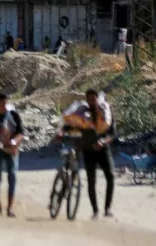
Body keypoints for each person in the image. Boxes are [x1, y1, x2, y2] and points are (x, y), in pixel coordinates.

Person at [61, 89, 116, 220]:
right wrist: (63, 131)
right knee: (91, 181)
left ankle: (107, 208)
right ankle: (95, 211)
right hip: (88, 151)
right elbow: (72, 126)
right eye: (89, 99)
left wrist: (103, 142)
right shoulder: (82, 114)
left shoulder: (105, 114)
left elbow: (113, 134)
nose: (91, 101)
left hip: (103, 150)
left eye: (93, 99)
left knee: (111, 176)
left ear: (97, 99)